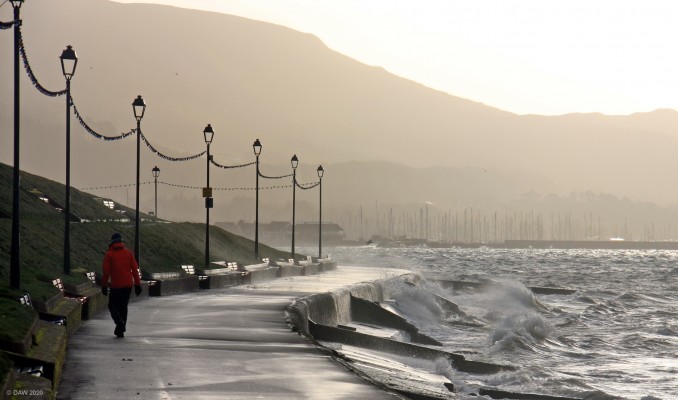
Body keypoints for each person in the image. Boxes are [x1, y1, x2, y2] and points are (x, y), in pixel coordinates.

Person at [101, 232, 142, 338]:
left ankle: (119, 324)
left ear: (112, 243)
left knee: (112, 305)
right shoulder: (129, 253)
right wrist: (137, 284)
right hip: (128, 285)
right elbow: (135, 270)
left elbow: (106, 272)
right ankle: (121, 330)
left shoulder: (109, 254)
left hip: (116, 285)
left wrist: (104, 285)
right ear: (122, 242)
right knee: (123, 306)